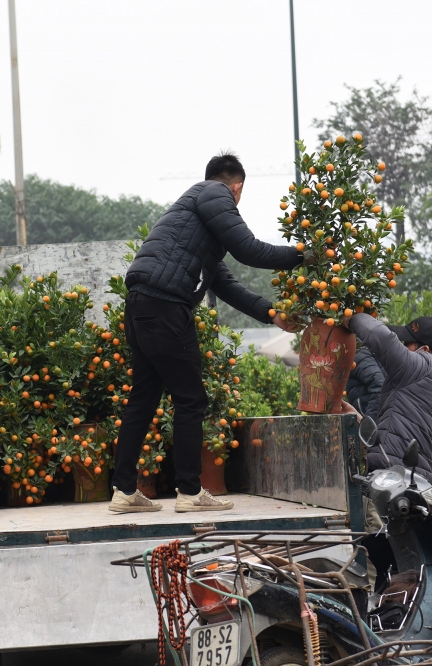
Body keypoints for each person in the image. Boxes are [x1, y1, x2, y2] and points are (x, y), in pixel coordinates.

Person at [110, 151, 305, 515]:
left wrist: (272, 314)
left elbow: (227, 284)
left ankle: (123, 491)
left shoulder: (193, 226)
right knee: (191, 399)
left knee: (144, 398)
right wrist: (302, 254)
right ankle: (189, 491)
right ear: (237, 187)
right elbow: (248, 250)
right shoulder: (214, 193)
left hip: (140, 304)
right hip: (167, 306)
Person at [346, 314, 432, 475]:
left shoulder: (421, 365)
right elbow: (406, 426)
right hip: (416, 478)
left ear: (425, 350)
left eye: (408, 343)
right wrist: (362, 422)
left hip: (392, 473)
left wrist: (349, 317)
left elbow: (381, 337)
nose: (403, 347)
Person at [346, 345, 385, 419]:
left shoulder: (361, 359)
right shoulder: (373, 357)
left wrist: (370, 422)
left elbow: (379, 387)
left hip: (370, 420)